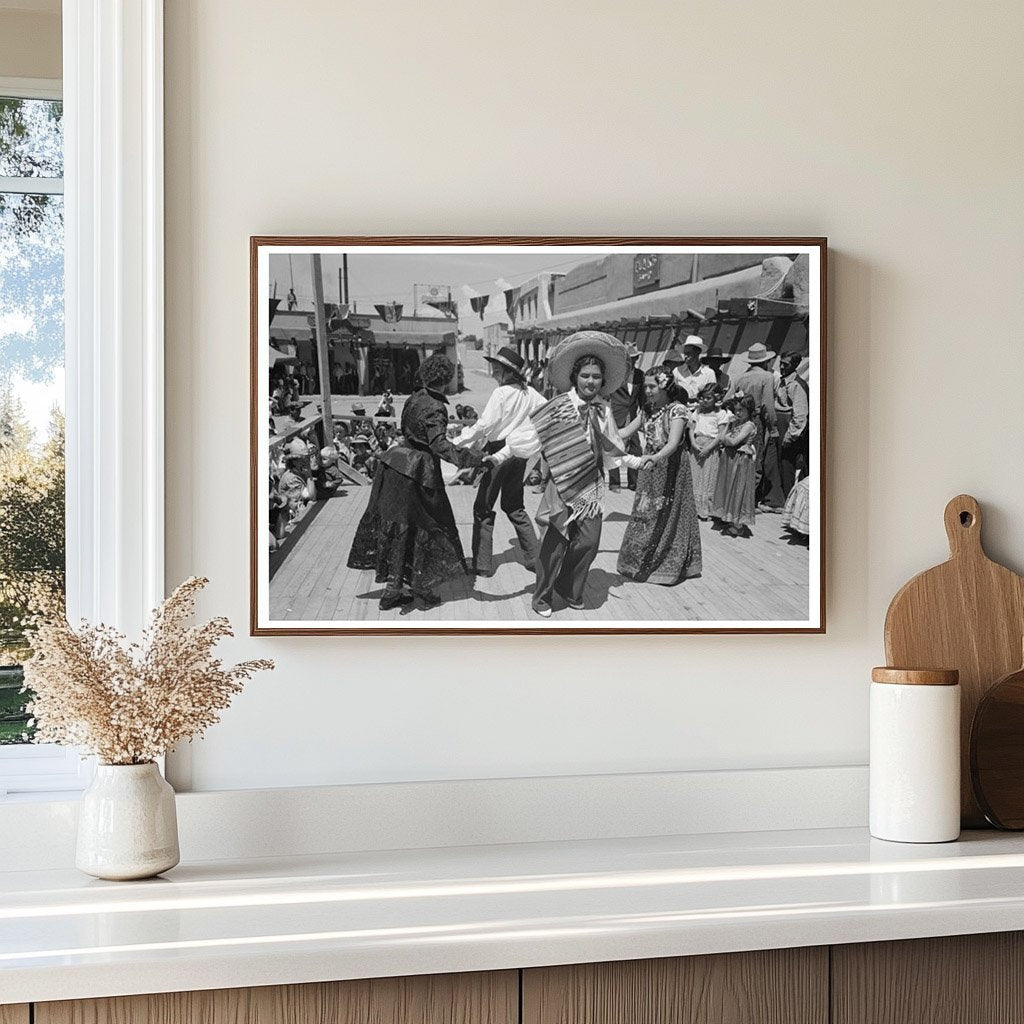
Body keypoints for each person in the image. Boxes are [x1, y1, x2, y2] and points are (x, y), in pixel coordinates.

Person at [494, 331, 643, 618]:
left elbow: (613, 447)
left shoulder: (603, 409)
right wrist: (499, 456)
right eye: (585, 375)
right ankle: (542, 596)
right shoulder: (560, 407)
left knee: (589, 542)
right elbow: (529, 437)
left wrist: (638, 462)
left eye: (596, 377)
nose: (591, 381)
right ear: (575, 377)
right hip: (562, 483)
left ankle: (568, 587)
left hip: (591, 485)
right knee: (554, 543)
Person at [347, 354, 487, 611]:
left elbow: (408, 432)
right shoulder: (436, 406)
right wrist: (470, 457)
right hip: (418, 473)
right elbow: (438, 444)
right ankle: (421, 588)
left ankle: (392, 592)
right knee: (430, 527)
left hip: (395, 466)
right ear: (445, 380)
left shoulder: (414, 398)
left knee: (400, 528)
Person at [454, 347, 547, 576]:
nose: (494, 371)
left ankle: (482, 564)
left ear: (509, 372)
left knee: (483, 507)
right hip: (518, 454)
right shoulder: (531, 393)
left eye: (498, 368)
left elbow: (484, 425)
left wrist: (458, 441)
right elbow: (548, 411)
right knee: (514, 505)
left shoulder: (502, 393)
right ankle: (535, 558)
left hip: (498, 454)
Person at [617, 368, 702, 586]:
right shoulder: (648, 409)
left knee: (670, 513)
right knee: (645, 512)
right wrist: (601, 431)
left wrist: (655, 457)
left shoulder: (678, 411)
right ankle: (639, 561)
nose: (647, 391)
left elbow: (673, 443)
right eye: (645, 386)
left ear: (665, 386)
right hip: (650, 467)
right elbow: (626, 431)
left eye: (652, 386)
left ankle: (667, 565)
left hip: (671, 468)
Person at [726, 342, 784, 511]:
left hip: (740, 420)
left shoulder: (739, 378)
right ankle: (747, 502)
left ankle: (736, 498)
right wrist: (772, 427)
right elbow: (768, 406)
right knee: (755, 461)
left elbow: (726, 400)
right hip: (757, 421)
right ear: (766, 361)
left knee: (741, 459)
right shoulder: (767, 377)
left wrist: (737, 412)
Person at [711, 394, 758, 537]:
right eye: (736, 410)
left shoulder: (749, 425)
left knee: (738, 488)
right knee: (728, 486)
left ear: (749, 411)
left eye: (741, 410)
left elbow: (733, 442)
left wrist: (724, 437)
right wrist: (727, 427)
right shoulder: (736, 423)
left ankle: (738, 524)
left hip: (740, 460)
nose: (737, 413)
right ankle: (730, 519)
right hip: (730, 458)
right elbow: (722, 438)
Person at [606, 343, 645, 491]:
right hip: (616, 414)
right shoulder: (615, 375)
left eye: (634, 358)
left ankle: (633, 482)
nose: (632, 361)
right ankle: (614, 483)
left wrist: (643, 415)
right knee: (614, 448)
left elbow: (642, 398)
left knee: (635, 449)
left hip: (633, 415)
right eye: (629, 359)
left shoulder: (640, 375)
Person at [688, 383, 728, 519]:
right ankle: (692, 508)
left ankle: (705, 510)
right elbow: (692, 429)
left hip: (710, 448)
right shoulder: (698, 411)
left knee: (708, 478)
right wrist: (693, 442)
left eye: (709, 398)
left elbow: (721, 434)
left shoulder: (720, 414)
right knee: (695, 477)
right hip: (696, 447)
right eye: (703, 398)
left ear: (716, 398)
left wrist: (709, 447)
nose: (705, 401)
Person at [777, 352, 810, 499]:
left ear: (795, 365)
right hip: (781, 424)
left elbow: (800, 414)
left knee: (788, 465)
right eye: (781, 363)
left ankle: (789, 499)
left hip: (789, 427)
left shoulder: (797, 384)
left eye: (786, 364)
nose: (782, 367)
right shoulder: (783, 381)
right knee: (782, 464)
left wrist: (790, 436)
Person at [670, 335, 717, 402]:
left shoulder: (709, 373)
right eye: (685, 353)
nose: (685, 356)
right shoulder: (677, 371)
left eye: (689, 354)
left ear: (697, 353)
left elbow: (712, 395)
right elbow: (672, 392)